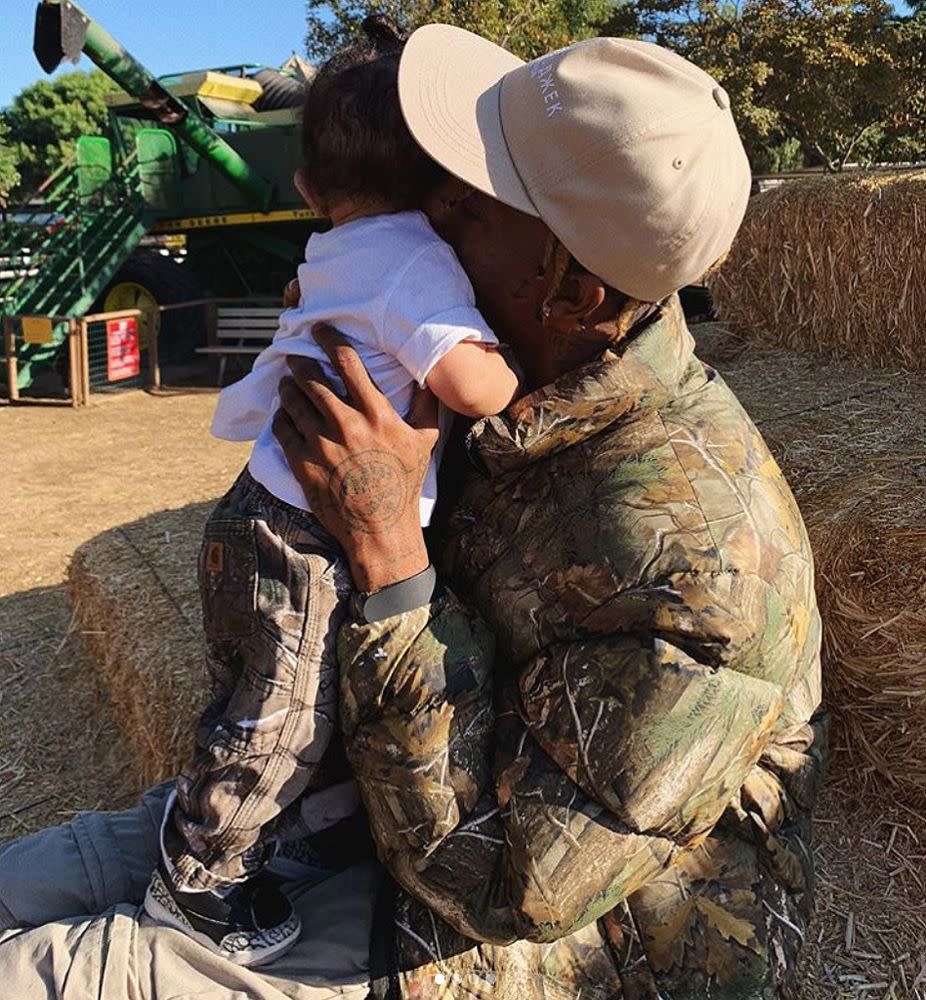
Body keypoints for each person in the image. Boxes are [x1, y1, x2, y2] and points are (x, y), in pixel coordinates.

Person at [0, 26, 824, 1000]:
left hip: (497, 933)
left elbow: (508, 883)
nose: (418, 206)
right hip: (345, 807)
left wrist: (390, 557)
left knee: (36, 977)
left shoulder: (699, 564)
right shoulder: (500, 365)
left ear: (569, 288)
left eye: (459, 200)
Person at [144, 17, 519, 967]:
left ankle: (271, 823)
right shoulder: (417, 259)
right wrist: (504, 372)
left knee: (254, 694)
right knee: (284, 715)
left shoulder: (334, 249)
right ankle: (199, 880)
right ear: (443, 185)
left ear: (309, 186)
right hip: (308, 537)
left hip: (255, 509)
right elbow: (474, 387)